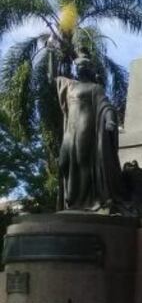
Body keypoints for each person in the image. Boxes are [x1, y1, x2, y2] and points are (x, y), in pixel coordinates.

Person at [54, 54, 126, 212]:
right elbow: (52, 77)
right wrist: (54, 52)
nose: (79, 69)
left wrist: (110, 121)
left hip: (85, 125)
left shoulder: (95, 88)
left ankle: (81, 201)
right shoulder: (70, 85)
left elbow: (106, 106)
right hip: (70, 129)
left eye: (82, 66)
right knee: (64, 163)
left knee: (82, 161)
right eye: (77, 66)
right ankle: (72, 199)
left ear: (87, 70)